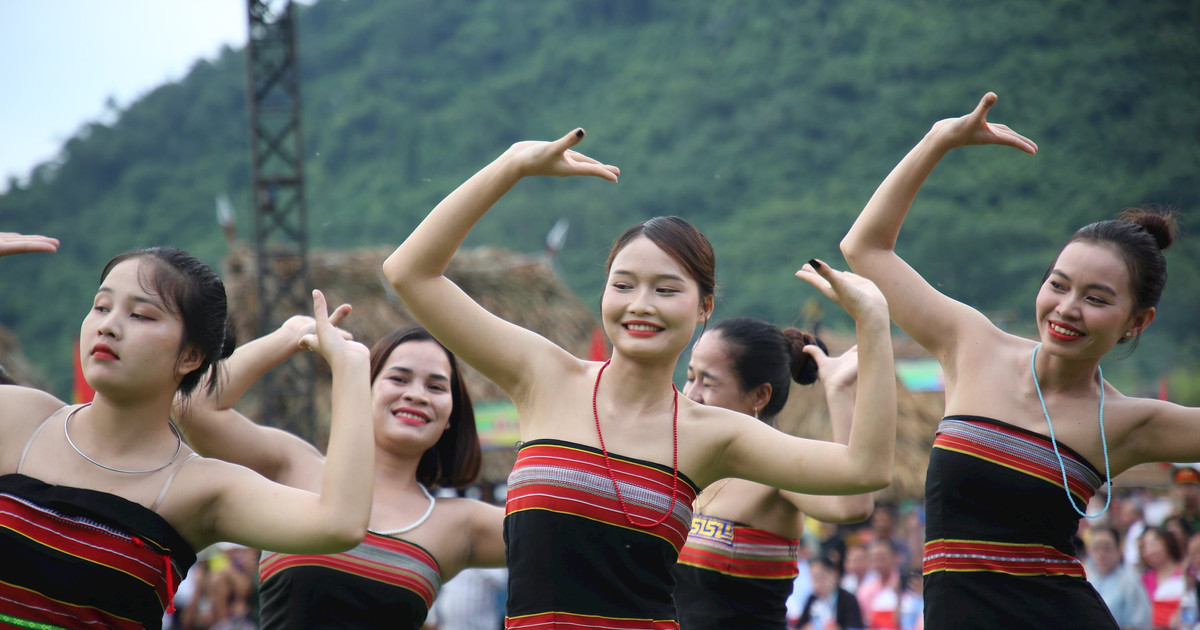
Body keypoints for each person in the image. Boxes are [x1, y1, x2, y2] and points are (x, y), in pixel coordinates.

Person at [382, 129, 898, 629]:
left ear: (704, 308)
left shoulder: (713, 433)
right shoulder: (543, 375)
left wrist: (873, 322)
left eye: (665, 290)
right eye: (623, 284)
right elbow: (411, 271)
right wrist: (513, 164)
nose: (640, 305)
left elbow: (863, 471)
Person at [839, 91, 1200, 630]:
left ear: (1137, 322)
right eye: (1058, 284)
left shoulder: (1128, 422)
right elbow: (865, 248)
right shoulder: (971, 342)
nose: (1067, 309)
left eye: (1097, 299)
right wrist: (940, 139)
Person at [0, 235, 374, 629]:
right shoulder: (20, 416)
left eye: (140, 315)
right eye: (101, 306)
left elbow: (339, 524)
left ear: (190, 355)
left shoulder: (199, 487)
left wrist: (350, 366)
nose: (108, 326)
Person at [175, 324, 507, 629]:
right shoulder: (294, 466)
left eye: (436, 386)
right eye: (399, 379)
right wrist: (292, 335)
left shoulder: (463, 524)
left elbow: (555, 530)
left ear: (451, 414)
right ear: (362, 390)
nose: (417, 395)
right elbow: (194, 406)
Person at [672, 317, 873, 629]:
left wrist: (838, 390)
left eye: (708, 383)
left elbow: (852, 504)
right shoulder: (685, 465)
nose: (692, 394)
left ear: (759, 396)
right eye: (690, 377)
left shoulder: (776, 472)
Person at [1086, 527, 1151, 630]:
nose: (1101, 554)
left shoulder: (1130, 583)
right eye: (1096, 548)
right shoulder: (1088, 581)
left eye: (1106, 548)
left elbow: (1141, 625)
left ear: (1118, 551)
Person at [795, 555, 865, 630]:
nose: (818, 583)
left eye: (822, 577)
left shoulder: (848, 599)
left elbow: (855, 627)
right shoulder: (812, 599)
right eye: (814, 578)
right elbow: (800, 626)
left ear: (834, 574)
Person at [1141, 527, 1185, 630]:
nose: (1150, 550)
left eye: (1154, 543)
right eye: (1144, 546)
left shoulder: (1186, 572)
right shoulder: (1145, 579)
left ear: (1167, 541)